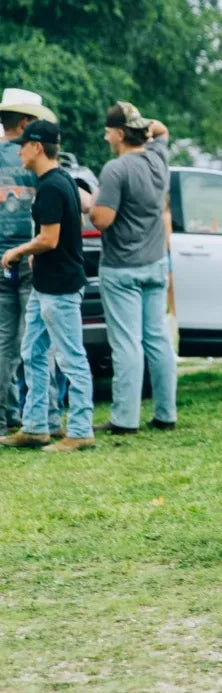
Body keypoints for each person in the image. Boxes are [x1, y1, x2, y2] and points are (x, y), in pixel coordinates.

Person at [0, 120, 94, 452]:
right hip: (44, 285)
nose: (19, 151)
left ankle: (81, 430)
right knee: (32, 353)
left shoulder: (53, 187)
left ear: (38, 147)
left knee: (71, 357)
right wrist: (35, 256)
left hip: (61, 288)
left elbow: (49, 239)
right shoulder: (60, 181)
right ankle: (36, 426)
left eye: (23, 145)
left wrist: (19, 250)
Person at [89, 102, 176, 434]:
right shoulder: (158, 159)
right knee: (157, 338)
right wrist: (140, 119)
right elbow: (163, 129)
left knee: (126, 344)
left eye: (109, 130)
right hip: (154, 262)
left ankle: (125, 419)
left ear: (121, 133)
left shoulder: (116, 169)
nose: (106, 136)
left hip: (122, 267)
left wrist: (90, 204)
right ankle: (166, 414)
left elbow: (103, 220)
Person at [0, 88, 58, 434]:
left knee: (4, 343)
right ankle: (46, 416)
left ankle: (4, 418)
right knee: (38, 341)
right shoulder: (34, 159)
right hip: (33, 257)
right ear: (24, 122)